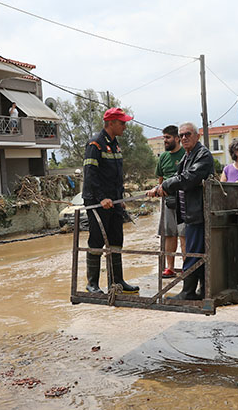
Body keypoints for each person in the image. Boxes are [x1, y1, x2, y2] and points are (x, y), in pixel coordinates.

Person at [147, 121, 213, 300]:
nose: (184, 138)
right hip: (189, 213)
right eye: (182, 135)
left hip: (199, 213)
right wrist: (159, 187)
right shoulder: (188, 156)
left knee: (193, 253)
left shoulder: (202, 155)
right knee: (197, 253)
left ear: (197, 136)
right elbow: (177, 177)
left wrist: (165, 185)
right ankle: (202, 290)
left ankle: (188, 292)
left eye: (188, 134)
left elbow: (189, 178)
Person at [83, 107, 140, 295]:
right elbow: (90, 175)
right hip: (97, 202)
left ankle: (117, 281)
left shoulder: (116, 145)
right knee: (97, 241)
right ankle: (92, 283)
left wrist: (119, 198)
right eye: (122, 122)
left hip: (114, 202)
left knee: (116, 240)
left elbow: (116, 176)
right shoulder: (95, 145)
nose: (125, 126)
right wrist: (101, 198)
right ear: (111, 123)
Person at [155, 124, 186, 277]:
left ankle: (188, 267)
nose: (165, 141)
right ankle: (170, 268)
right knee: (169, 234)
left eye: (168, 137)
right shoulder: (163, 157)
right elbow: (160, 180)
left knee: (184, 234)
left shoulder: (186, 154)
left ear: (177, 138)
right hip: (168, 201)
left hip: (184, 200)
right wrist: (157, 190)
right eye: (164, 138)